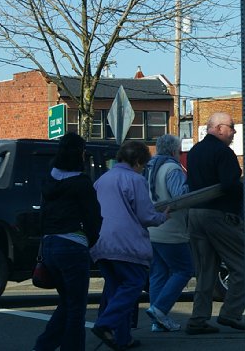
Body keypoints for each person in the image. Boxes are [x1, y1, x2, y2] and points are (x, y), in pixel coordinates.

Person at [90, 141, 167, 350]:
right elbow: (145, 214)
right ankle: (105, 323)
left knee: (116, 290)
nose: (143, 169)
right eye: (143, 165)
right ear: (138, 162)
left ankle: (122, 338)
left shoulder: (102, 180)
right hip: (126, 243)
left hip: (102, 242)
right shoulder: (135, 179)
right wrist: (162, 217)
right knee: (133, 285)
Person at [32, 133, 102, 351]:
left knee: (67, 303)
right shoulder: (81, 183)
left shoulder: (49, 181)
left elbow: (42, 216)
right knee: (76, 309)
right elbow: (93, 218)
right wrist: (89, 241)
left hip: (50, 244)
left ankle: (43, 346)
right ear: (79, 155)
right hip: (73, 244)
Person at [185, 112, 245, 335]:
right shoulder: (223, 152)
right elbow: (230, 184)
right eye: (232, 127)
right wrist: (242, 188)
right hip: (218, 214)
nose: (234, 132)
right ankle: (230, 313)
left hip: (195, 214)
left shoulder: (194, 152)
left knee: (205, 271)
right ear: (219, 128)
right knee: (244, 265)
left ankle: (198, 319)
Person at [143, 135, 192, 333]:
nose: (180, 155)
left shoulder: (147, 167)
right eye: (179, 151)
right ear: (174, 151)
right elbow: (180, 197)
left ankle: (158, 321)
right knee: (184, 270)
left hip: (151, 230)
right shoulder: (172, 168)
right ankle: (159, 309)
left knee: (158, 274)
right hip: (171, 230)